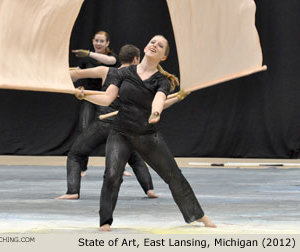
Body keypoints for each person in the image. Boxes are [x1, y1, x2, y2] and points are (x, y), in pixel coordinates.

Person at [75, 35, 216, 231]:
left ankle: (198, 215)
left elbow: (158, 100)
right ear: (145, 46)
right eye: (152, 42)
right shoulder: (122, 73)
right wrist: (85, 96)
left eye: (160, 45)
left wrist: (156, 112)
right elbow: (107, 99)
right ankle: (105, 221)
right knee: (112, 175)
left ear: (163, 57)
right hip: (121, 132)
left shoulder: (162, 81)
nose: (154, 45)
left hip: (147, 135)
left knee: (173, 175)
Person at [56, 45, 158, 200]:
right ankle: (149, 190)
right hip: (126, 126)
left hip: (103, 125)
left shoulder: (106, 71)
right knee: (135, 157)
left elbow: (76, 74)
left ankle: (72, 191)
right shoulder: (141, 79)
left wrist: (58, 77)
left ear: (120, 59)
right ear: (136, 59)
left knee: (75, 155)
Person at [72, 31, 119, 175]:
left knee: (115, 132)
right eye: (96, 41)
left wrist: (88, 53)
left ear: (107, 43)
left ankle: (118, 166)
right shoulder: (86, 60)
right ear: (92, 41)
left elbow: (109, 62)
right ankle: (82, 166)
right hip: (90, 97)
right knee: (84, 128)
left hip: (107, 98)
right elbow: (75, 75)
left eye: (101, 41)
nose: (98, 43)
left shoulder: (112, 58)